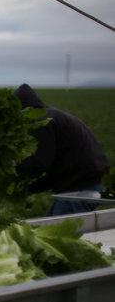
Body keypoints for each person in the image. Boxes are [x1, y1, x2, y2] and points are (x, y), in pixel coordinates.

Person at [14, 83, 110, 216]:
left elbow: (38, 163)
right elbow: (53, 169)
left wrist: (14, 173)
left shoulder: (42, 121)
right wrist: (30, 189)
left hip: (78, 190)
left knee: (57, 232)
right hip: (85, 185)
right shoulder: (52, 115)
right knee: (50, 226)